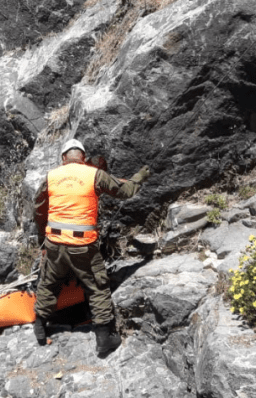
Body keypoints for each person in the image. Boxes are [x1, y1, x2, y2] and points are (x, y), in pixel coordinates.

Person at [32, 139, 150, 356]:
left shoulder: (51, 176)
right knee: (97, 287)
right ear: (83, 158)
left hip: (55, 242)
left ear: (63, 158)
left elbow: (39, 208)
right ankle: (104, 338)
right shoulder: (94, 174)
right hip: (83, 246)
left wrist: (43, 239)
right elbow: (125, 191)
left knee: (49, 283)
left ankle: (40, 327)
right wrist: (140, 176)